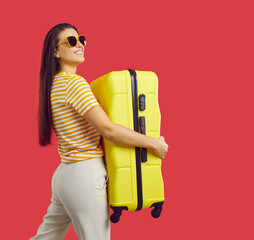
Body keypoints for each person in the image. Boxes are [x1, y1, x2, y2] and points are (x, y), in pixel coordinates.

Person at [31, 23, 169, 240]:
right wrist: (153, 143)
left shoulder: (54, 85)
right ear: (56, 52)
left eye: (81, 39)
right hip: (84, 174)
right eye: (71, 41)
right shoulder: (73, 84)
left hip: (64, 175)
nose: (80, 45)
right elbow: (108, 130)